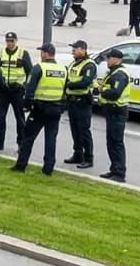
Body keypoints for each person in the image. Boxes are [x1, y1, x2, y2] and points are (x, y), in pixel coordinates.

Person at [15, 43, 67, 174]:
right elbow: (66, 91)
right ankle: (48, 168)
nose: (40, 54)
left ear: (45, 53)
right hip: (55, 108)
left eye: (41, 52)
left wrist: (26, 106)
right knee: (51, 139)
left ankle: (21, 165)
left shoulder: (39, 68)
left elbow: (29, 89)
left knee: (28, 137)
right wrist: (62, 107)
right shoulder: (63, 69)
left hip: (40, 108)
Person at [95, 48, 131, 181]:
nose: (107, 60)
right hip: (111, 111)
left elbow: (115, 93)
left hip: (117, 111)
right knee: (111, 142)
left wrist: (101, 91)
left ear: (117, 59)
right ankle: (114, 169)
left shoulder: (120, 75)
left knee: (116, 142)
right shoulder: (112, 72)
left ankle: (119, 173)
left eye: (109, 58)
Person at [62, 40, 98, 168]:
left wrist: (69, 85)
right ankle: (78, 154)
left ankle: (89, 158)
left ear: (83, 50)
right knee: (75, 130)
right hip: (72, 101)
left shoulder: (89, 65)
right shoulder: (74, 63)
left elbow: (85, 82)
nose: (73, 50)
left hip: (83, 101)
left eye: (75, 48)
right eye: (73, 48)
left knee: (84, 131)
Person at [0, 31, 30, 150]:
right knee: (0, 117)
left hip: (17, 90)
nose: (10, 43)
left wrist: (24, 86)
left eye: (12, 41)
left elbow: (30, 72)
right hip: (3, 90)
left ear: (16, 41)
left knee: (20, 118)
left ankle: (21, 143)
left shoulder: (23, 53)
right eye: (8, 41)